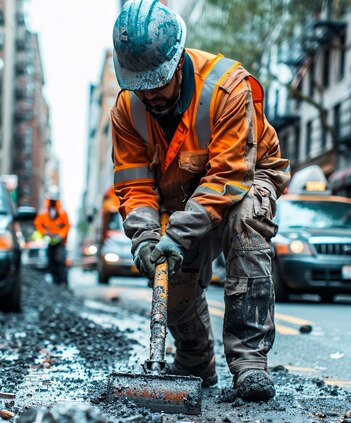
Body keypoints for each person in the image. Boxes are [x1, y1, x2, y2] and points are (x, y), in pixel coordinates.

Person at [111, 0, 290, 401]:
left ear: (177, 64)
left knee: (247, 218)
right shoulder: (127, 109)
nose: (148, 94)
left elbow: (228, 176)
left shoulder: (226, 88)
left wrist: (178, 233)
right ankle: (194, 363)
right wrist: (146, 239)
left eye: (155, 82)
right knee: (167, 267)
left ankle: (248, 363)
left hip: (247, 175)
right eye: (139, 84)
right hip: (177, 193)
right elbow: (134, 184)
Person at [34, 187, 70, 285]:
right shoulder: (43, 213)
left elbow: (67, 226)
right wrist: (44, 233)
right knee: (50, 259)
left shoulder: (62, 213)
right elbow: (38, 223)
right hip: (49, 241)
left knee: (60, 259)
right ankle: (55, 280)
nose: (53, 202)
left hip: (60, 242)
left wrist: (60, 236)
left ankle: (62, 279)